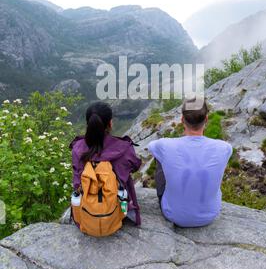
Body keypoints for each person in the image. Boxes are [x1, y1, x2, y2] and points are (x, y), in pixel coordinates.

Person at [148, 97, 232, 227]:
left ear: (182, 120)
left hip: (173, 214)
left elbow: (150, 147)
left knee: (160, 157)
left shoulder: (164, 145)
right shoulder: (225, 147)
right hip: (210, 215)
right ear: (206, 119)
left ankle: (177, 198)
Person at [70, 101, 142, 225]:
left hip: (86, 210)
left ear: (88, 124)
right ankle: (124, 212)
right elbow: (135, 166)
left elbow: (76, 179)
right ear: (110, 123)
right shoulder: (124, 148)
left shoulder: (77, 148)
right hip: (115, 209)